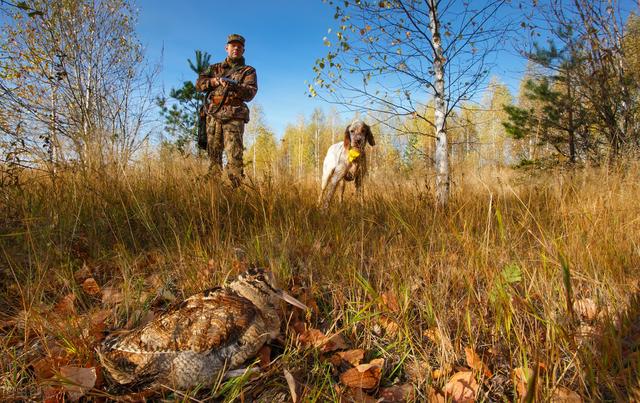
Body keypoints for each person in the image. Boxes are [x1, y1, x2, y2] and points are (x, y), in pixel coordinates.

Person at [196, 34, 258, 187]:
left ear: (243, 50)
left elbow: (250, 93)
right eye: (233, 45)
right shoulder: (214, 68)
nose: (236, 48)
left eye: (239, 46)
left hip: (234, 117)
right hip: (213, 116)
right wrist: (215, 81)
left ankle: (235, 197)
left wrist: (233, 85)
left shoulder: (248, 71)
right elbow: (199, 84)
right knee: (213, 159)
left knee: (235, 159)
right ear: (226, 48)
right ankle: (212, 194)